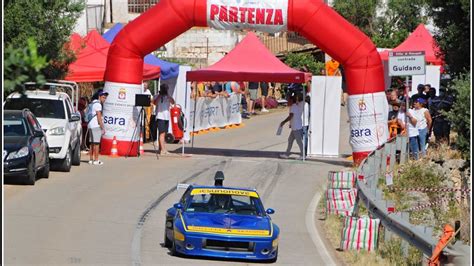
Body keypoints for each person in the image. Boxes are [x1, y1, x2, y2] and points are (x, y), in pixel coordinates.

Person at [279, 93, 305, 160]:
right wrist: (290, 124)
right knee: (290, 140)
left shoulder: (293, 107)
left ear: (291, 101)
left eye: (288, 100)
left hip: (296, 128)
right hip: (295, 127)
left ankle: (303, 155)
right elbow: (294, 117)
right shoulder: (295, 106)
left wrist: (283, 122)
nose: (287, 102)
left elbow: (291, 116)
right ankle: (287, 154)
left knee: (299, 142)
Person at [153, 84, 175, 155]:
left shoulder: (168, 96)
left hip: (166, 117)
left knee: (163, 134)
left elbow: (173, 102)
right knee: (162, 133)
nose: (165, 90)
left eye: (166, 89)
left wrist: (168, 95)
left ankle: (161, 148)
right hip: (160, 116)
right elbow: (155, 103)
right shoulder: (157, 96)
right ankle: (163, 150)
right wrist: (160, 95)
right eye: (164, 89)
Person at [88, 91, 108, 165]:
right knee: (96, 143)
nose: (104, 99)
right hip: (95, 125)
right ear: (99, 97)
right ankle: (96, 160)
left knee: (91, 143)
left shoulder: (93, 103)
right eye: (103, 97)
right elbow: (99, 117)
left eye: (105, 98)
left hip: (90, 125)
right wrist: (102, 127)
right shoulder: (98, 105)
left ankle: (91, 159)